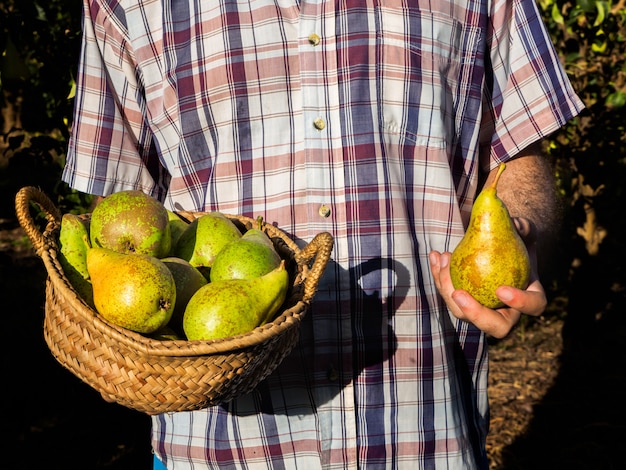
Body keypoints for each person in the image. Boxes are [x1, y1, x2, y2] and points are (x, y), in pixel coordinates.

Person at [62, 0, 584, 468]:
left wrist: (519, 230)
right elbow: (121, 198)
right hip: (218, 442)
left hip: (423, 427)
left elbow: (518, 150)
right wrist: (117, 328)